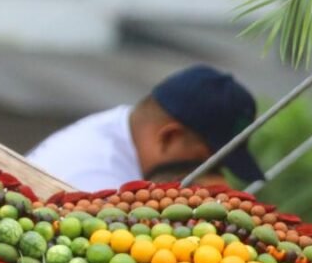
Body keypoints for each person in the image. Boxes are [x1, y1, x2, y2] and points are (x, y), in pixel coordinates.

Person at [26, 65, 262, 191]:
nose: (212, 178)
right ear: (169, 137)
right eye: (206, 164)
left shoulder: (123, 126)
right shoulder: (96, 182)